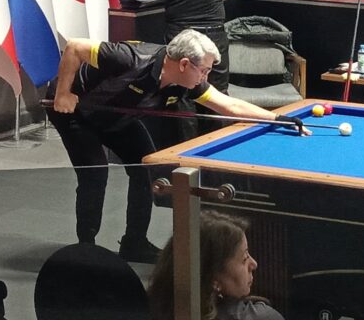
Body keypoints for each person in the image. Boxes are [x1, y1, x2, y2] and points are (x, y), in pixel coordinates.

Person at [46, 30, 308, 263]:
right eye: (203, 70)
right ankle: (86, 250)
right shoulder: (131, 58)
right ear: (184, 64)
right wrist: (63, 93)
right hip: (75, 112)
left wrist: (277, 118)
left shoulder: (186, 82)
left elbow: (229, 105)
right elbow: (75, 47)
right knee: (95, 173)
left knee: (146, 168)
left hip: (117, 116)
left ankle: (134, 243)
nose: (205, 77)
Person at [149, 210, 284, 320]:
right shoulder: (261, 317)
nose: (254, 264)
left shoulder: (149, 308)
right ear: (214, 280)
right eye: (244, 259)